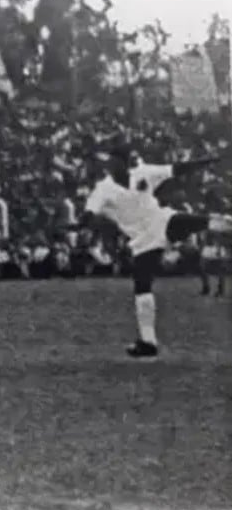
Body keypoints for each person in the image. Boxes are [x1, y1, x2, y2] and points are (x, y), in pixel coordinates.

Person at [78, 144, 230, 357]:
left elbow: (175, 169)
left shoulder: (143, 172)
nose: (110, 166)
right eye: (108, 162)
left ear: (124, 161)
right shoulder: (103, 189)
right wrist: (83, 222)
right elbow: (90, 211)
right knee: (142, 285)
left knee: (202, 221)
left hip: (162, 221)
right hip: (142, 241)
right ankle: (148, 342)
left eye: (114, 161)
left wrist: (206, 161)